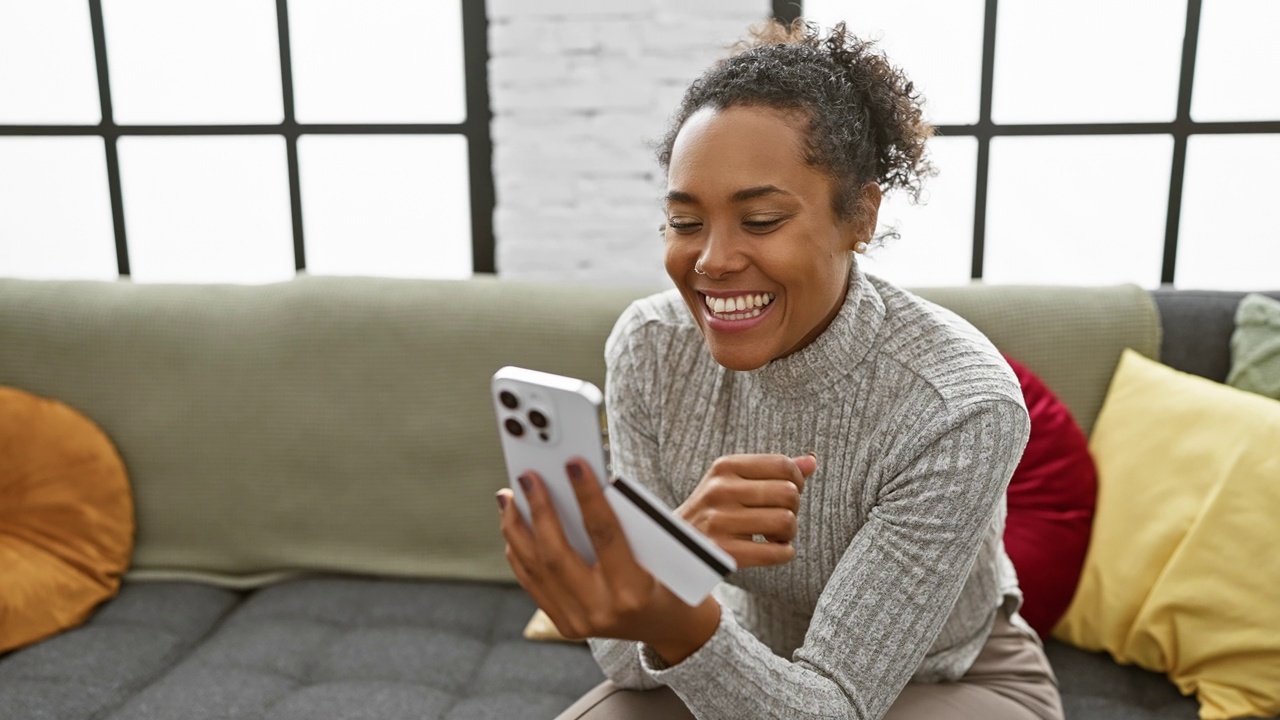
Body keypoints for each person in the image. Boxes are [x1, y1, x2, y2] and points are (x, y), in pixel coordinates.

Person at [496, 19, 1065, 720]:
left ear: (859, 215)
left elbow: (831, 705)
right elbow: (628, 664)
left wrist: (668, 582)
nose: (711, 261)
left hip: (946, 678)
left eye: (760, 220)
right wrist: (676, 559)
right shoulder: (649, 348)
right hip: (733, 654)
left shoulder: (958, 404)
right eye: (685, 221)